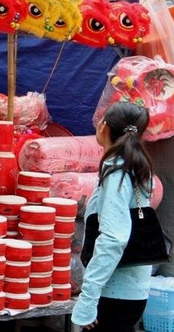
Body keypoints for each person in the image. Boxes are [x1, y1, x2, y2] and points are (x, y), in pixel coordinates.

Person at [72, 102, 155, 331]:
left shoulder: (117, 171)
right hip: (130, 291)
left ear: (104, 126)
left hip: (113, 295)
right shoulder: (135, 166)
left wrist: (88, 298)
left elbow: (114, 238)